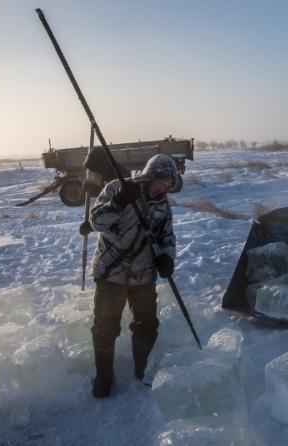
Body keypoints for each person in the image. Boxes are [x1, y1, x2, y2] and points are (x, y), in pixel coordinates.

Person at [83, 154, 177, 398]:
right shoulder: (118, 188)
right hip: (111, 273)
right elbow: (96, 222)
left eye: (168, 184)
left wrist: (167, 258)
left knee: (147, 325)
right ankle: (104, 376)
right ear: (149, 176)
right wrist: (117, 203)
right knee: (105, 327)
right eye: (160, 182)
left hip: (144, 276)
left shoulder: (163, 205)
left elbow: (167, 237)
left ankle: (143, 369)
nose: (163, 188)